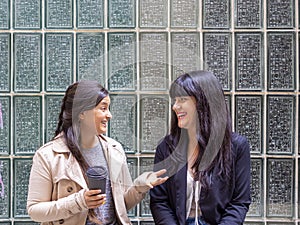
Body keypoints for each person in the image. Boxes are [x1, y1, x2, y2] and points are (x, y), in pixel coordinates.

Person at [27, 80, 168, 225]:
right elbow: (35, 211)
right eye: (103, 108)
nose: (109, 115)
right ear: (81, 112)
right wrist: (79, 201)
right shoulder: (48, 155)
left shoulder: (114, 149)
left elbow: (120, 207)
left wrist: (139, 187)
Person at [150, 70, 251, 225]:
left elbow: (239, 203)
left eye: (182, 99)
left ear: (204, 103)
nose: (175, 106)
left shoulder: (237, 146)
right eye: (175, 100)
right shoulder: (166, 148)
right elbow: (159, 201)